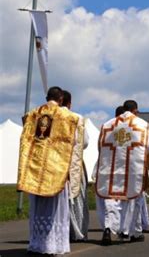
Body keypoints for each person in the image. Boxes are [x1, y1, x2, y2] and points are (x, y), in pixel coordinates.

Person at [17, 86, 82, 255]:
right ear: (61, 100)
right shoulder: (69, 117)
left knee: (37, 209)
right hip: (56, 171)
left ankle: (36, 244)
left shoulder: (32, 115)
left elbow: (25, 140)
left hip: (35, 170)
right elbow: (75, 143)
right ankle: (52, 246)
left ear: (47, 97)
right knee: (54, 210)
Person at [95, 100, 149, 245]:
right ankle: (131, 232)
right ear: (135, 110)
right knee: (132, 200)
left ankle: (108, 228)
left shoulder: (108, 124)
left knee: (111, 200)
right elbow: (148, 147)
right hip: (132, 169)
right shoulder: (142, 124)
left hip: (111, 169)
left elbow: (100, 146)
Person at [62, 90, 90, 241]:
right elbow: (84, 142)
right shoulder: (77, 118)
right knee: (77, 197)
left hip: (55, 164)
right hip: (73, 162)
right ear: (69, 103)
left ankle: (60, 231)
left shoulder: (51, 116)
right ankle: (77, 232)